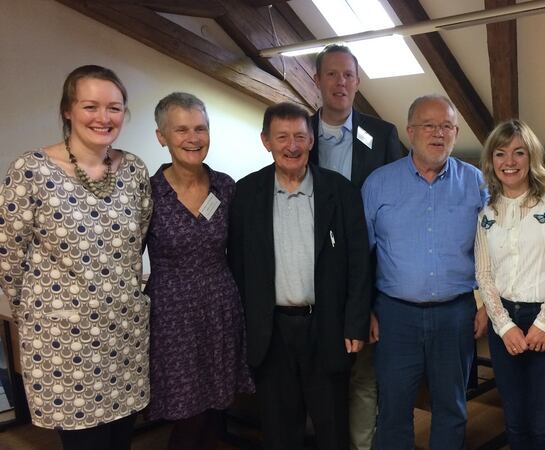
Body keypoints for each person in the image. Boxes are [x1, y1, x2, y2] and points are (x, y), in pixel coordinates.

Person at [0, 65, 152, 450]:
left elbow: (139, 239)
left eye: (114, 108)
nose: (103, 118)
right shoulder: (31, 170)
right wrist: (41, 311)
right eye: (91, 106)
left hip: (124, 333)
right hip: (64, 341)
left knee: (120, 439)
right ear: (68, 110)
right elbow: (8, 256)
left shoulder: (133, 170)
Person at [228, 102, 371, 450]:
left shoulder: (340, 191)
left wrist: (355, 323)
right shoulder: (246, 193)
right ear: (266, 141)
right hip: (271, 330)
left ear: (310, 141)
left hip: (327, 327)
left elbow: (359, 263)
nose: (291, 146)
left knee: (332, 426)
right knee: (280, 430)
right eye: (282, 137)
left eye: (299, 137)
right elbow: (237, 265)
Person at [362, 94, 489, 450]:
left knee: (452, 408)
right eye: (429, 125)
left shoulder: (476, 183)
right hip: (394, 317)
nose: (438, 134)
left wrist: (484, 304)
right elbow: (361, 257)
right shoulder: (378, 184)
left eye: (446, 126)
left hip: (456, 315)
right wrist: (366, 308)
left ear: (456, 132)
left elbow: (492, 249)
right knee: (394, 411)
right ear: (410, 131)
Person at [144, 92, 254, 449]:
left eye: (201, 128)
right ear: (162, 136)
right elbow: (129, 256)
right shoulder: (147, 193)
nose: (193, 138)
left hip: (220, 304)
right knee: (185, 405)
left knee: (216, 400)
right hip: (171, 313)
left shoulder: (225, 186)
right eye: (181, 130)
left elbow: (241, 250)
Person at [309, 43, 404, 450]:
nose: (340, 82)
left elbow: (398, 207)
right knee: (317, 378)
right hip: (309, 280)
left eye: (348, 74)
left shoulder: (382, 135)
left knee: (365, 378)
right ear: (317, 80)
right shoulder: (299, 133)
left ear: (358, 81)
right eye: (332, 74)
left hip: (367, 275)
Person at [475, 119, 545, 449]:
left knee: (543, 425)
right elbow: (484, 274)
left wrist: (544, 323)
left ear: (532, 157)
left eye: (519, 153)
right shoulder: (486, 209)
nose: (510, 162)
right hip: (505, 325)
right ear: (491, 161)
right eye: (501, 154)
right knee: (515, 425)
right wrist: (504, 327)